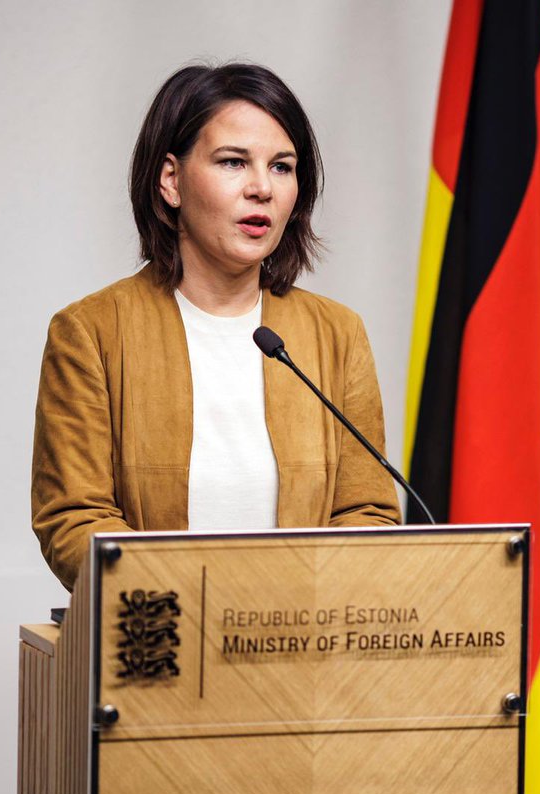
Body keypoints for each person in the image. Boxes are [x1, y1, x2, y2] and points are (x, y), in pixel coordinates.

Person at [31, 63, 400, 591]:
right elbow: (74, 520)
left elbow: (368, 512)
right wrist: (203, 605)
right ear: (171, 180)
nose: (262, 188)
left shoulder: (337, 334)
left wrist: (290, 606)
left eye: (282, 167)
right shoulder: (90, 333)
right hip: (164, 631)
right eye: (233, 162)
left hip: (302, 634)